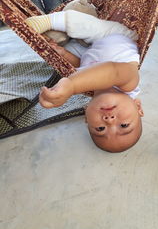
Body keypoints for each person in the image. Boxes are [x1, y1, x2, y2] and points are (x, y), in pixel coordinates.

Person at [25, 9, 144, 153]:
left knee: (63, 50)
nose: (110, 120)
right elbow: (112, 71)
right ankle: (51, 21)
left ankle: (66, 34)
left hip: (89, 52)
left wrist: (63, 54)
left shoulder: (89, 89)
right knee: (85, 26)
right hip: (114, 35)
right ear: (138, 107)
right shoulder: (129, 84)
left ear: (87, 117)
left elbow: (82, 66)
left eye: (100, 129)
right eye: (124, 125)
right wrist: (71, 86)